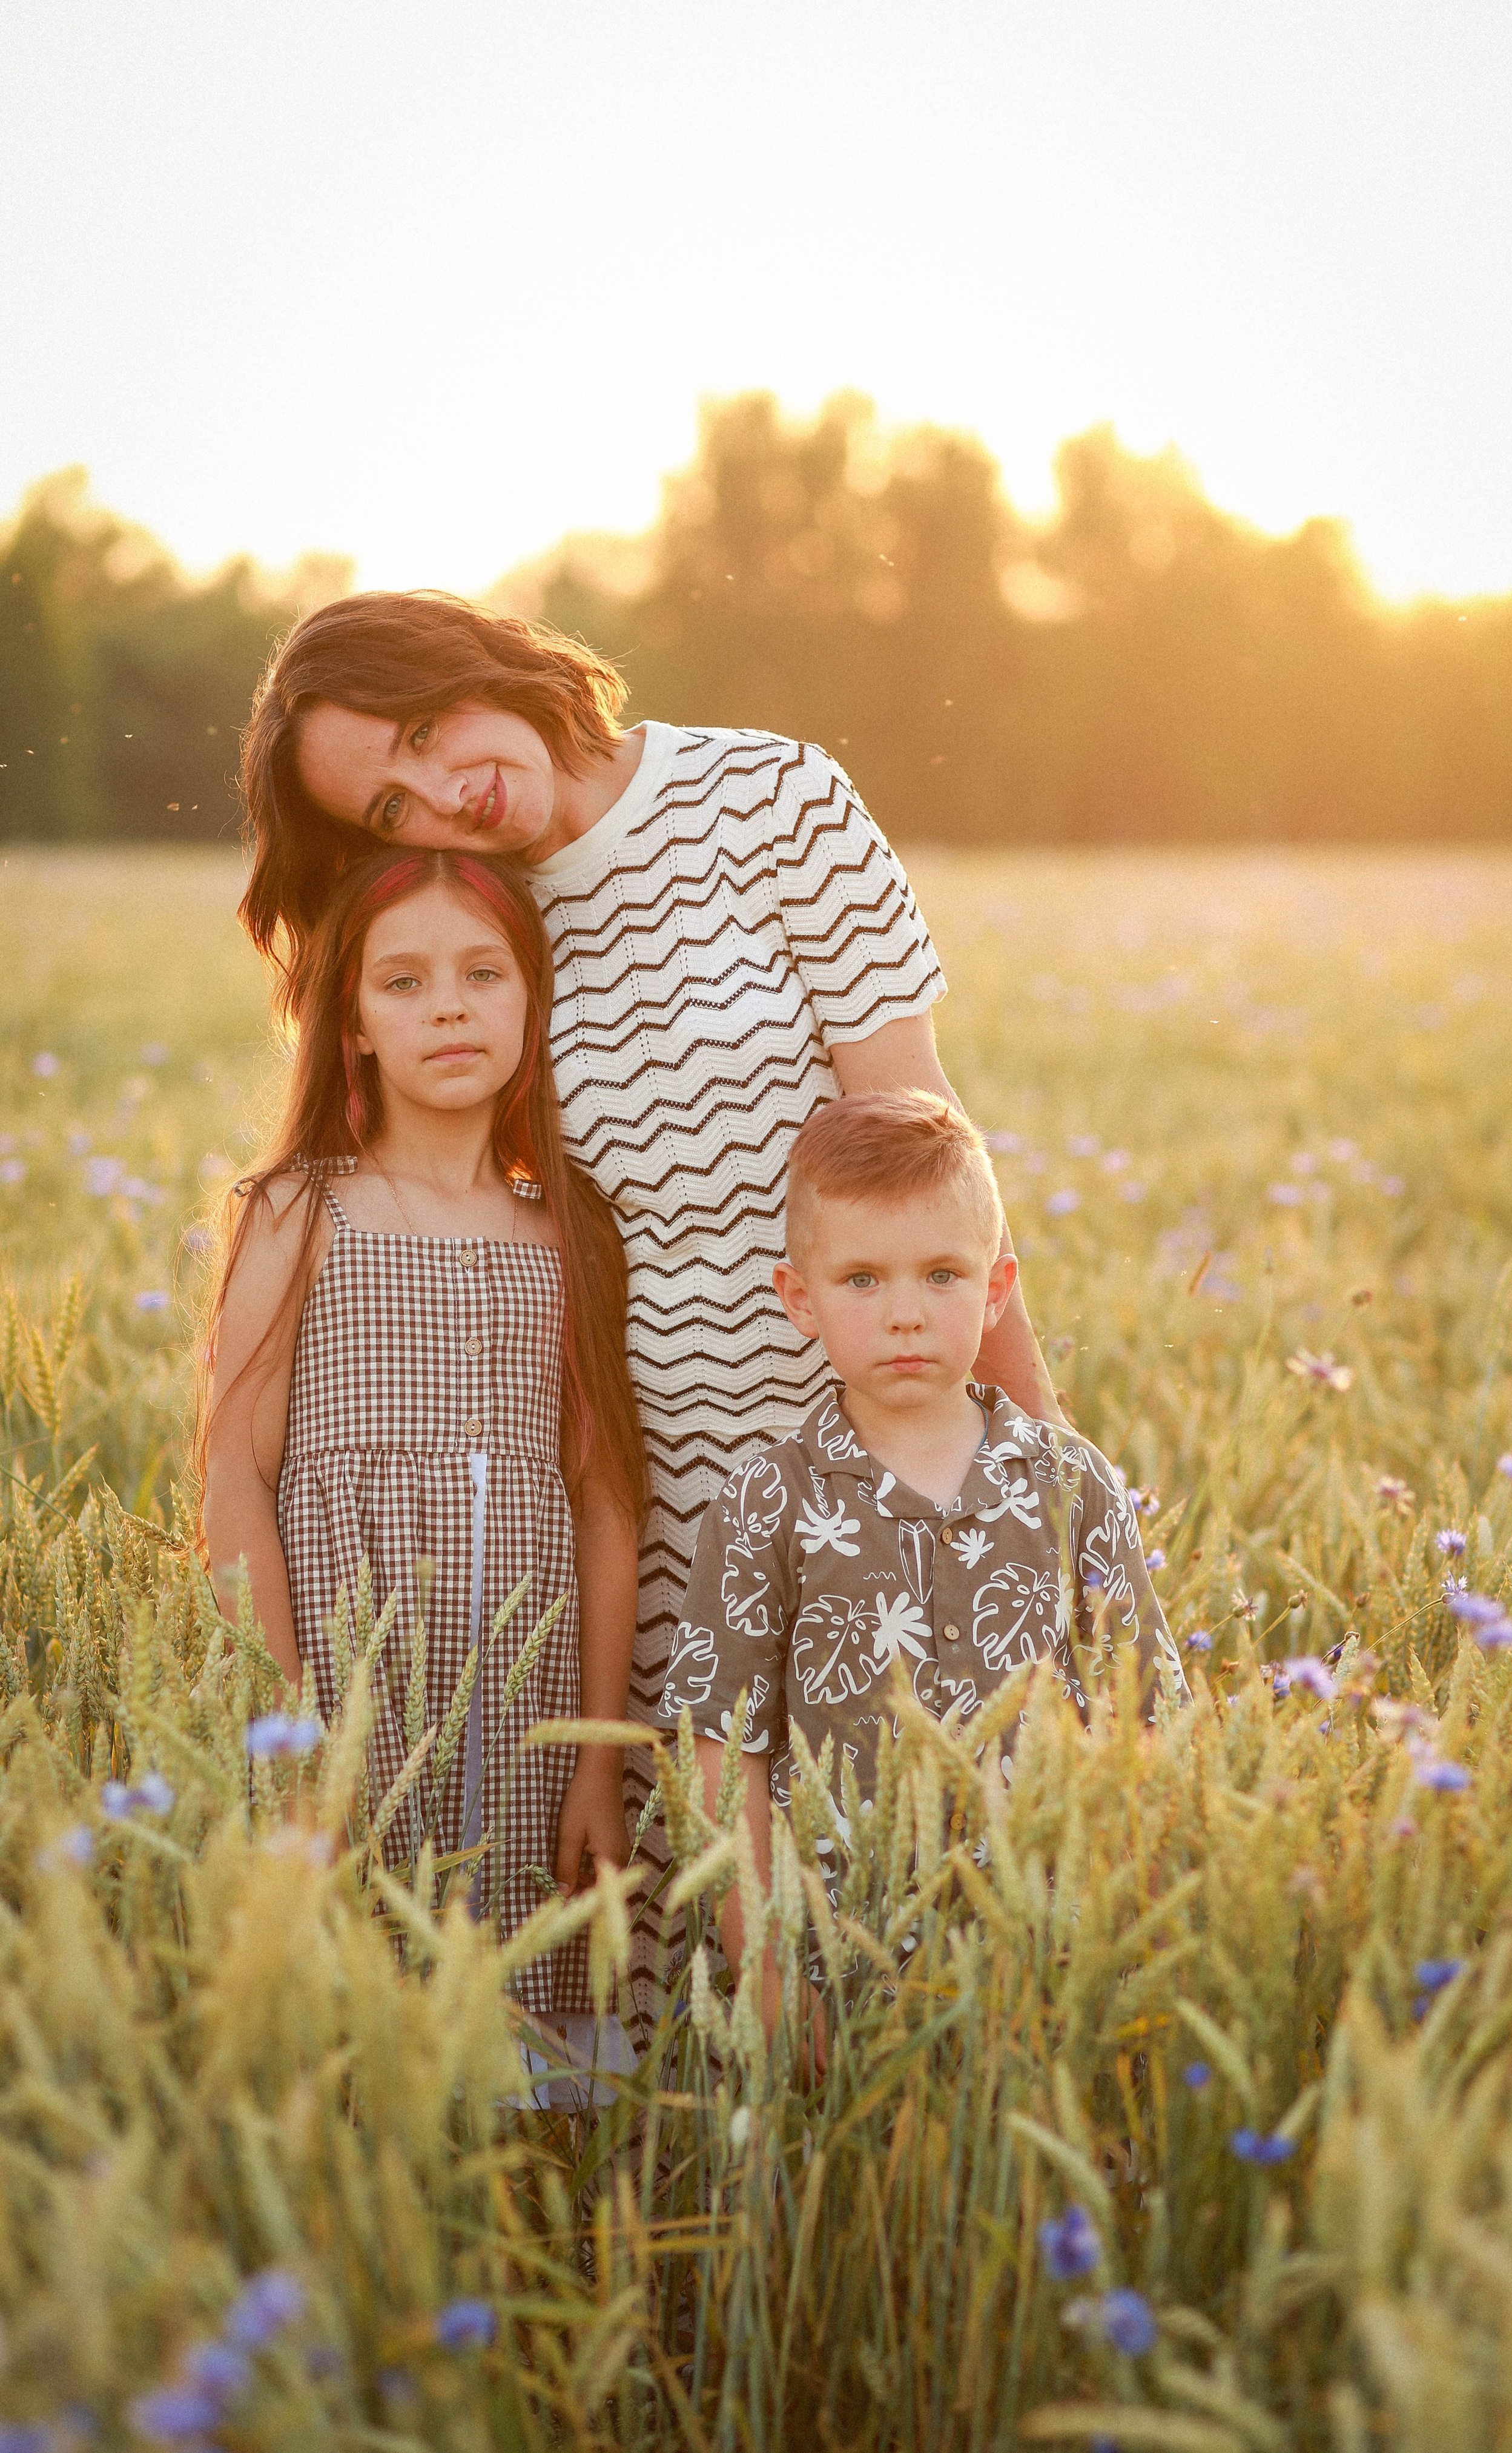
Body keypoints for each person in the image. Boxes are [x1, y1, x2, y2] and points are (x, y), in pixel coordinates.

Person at [237, 590, 1065, 2003]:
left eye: (430, 730)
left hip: (861, 1445)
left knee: (912, 1889)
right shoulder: (477, 918)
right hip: (642, 1501)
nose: (442, 790)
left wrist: (1032, 1458)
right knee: (692, 1956)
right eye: (390, 803)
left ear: (484, 664)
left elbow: (926, 1152)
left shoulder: (770, 798)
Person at [200, 847, 647, 2033]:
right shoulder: (298, 1207)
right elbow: (235, 1476)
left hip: (531, 1695)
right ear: (348, 1022)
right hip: (352, 1692)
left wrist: (599, 1762)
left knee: (529, 2041)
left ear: (529, 999)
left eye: (482, 972)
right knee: (362, 2027)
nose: (448, 1003)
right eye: (402, 982)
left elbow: (605, 1503)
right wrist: (298, 1749)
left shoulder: (568, 1232)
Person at [660, 1090, 1180, 2039]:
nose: (905, 1314)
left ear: (996, 1288)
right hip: (841, 1976)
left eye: (942, 1274)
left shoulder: (1075, 1484)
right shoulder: (765, 1500)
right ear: (799, 1298)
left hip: (1048, 1962)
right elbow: (720, 1751)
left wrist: (1133, 1942)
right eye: (862, 1279)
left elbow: (1140, 1727)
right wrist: (769, 1975)